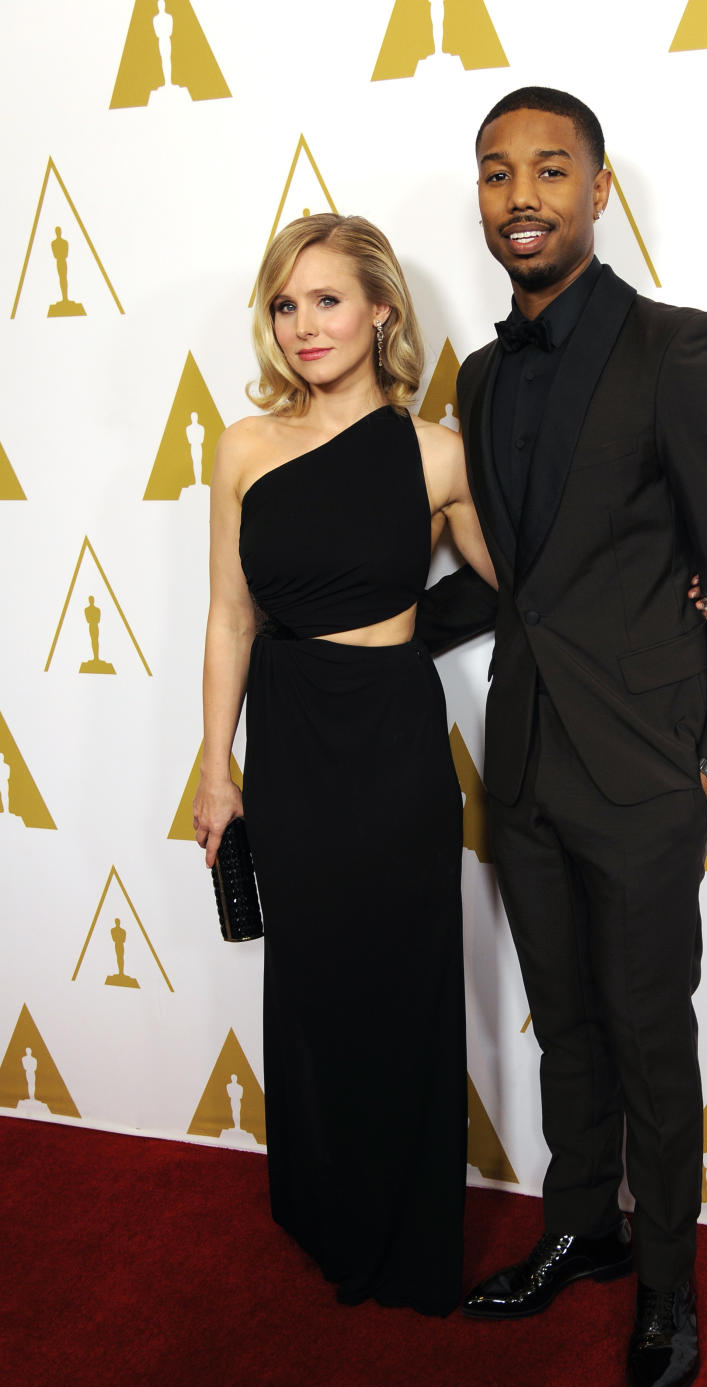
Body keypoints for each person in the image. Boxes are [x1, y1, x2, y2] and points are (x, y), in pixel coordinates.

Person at [441, 87, 707, 1387]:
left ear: (595, 192)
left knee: (652, 1036)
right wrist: (349, 634)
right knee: (564, 1023)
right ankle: (578, 1224)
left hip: (645, 770)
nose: (520, 193)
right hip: (522, 753)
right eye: (495, 172)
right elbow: (511, 581)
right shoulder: (476, 377)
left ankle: (667, 1293)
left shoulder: (682, 350)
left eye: (549, 168)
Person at [192, 212, 497, 1316]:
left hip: (392, 737)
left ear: (381, 309)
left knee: (401, 978)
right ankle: (325, 1205)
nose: (305, 324)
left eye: (327, 299)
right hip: (287, 733)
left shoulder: (439, 453)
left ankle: (408, 1234)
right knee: (315, 980)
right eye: (286, 303)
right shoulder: (242, 445)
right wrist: (216, 765)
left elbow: (515, 580)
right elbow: (230, 616)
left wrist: (408, 628)